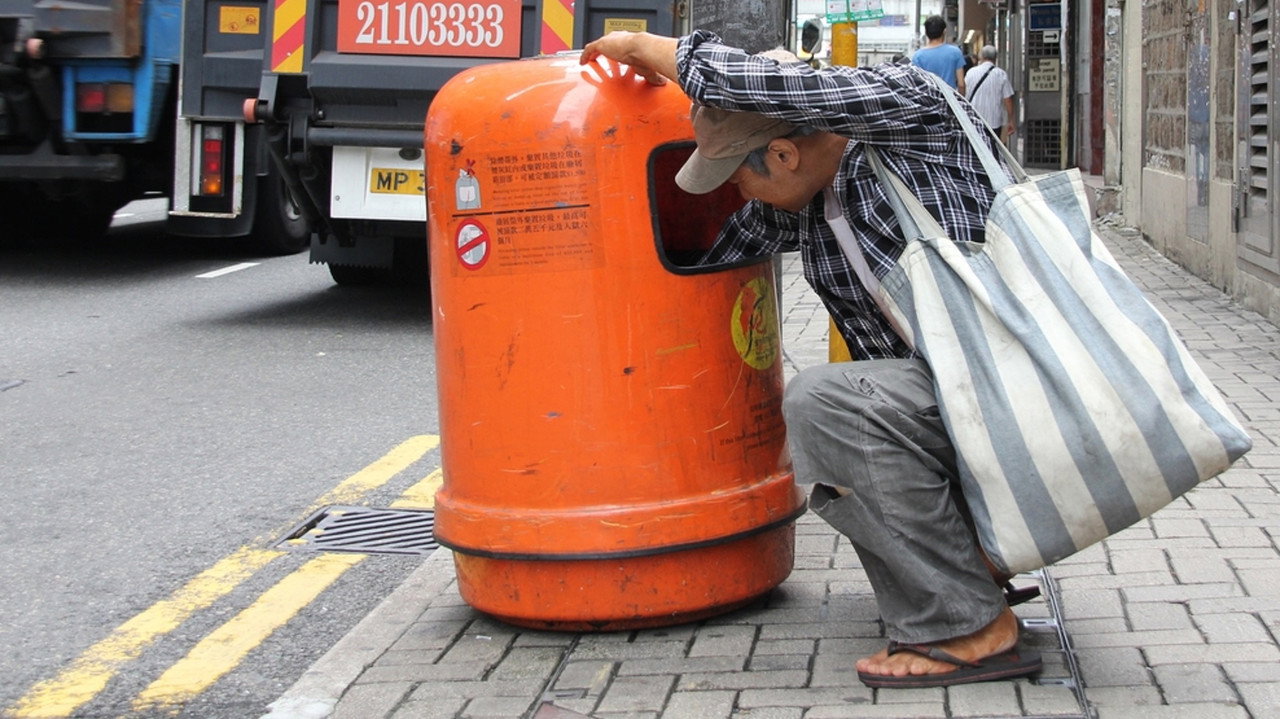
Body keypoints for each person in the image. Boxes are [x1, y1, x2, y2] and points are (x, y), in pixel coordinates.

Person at [579, 31, 1043, 688]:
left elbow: (778, 90)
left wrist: (640, 45)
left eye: (739, 174)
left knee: (826, 403)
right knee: (864, 409)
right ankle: (976, 568)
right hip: (982, 414)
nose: (736, 192)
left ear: (785, 152)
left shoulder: (914, 116)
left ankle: (969, 628)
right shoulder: (812, 201)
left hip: (1038, 398)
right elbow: (706, 263)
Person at [963, 45, 1016, 142]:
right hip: (994, 121)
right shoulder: (1001, 74)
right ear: (995, 58)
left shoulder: (971, 72)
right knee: (992, 150)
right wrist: (1011, 120)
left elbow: (963, 94)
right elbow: (1008, 99)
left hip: (973, 120)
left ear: (981, 57)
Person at [911, 16, 966, 94]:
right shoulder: (955, 52)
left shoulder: (917, 56)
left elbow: (915, 85)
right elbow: (961, 84)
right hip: (949, 101)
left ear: (926, 33)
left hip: (928, 101)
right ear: (944, 31)